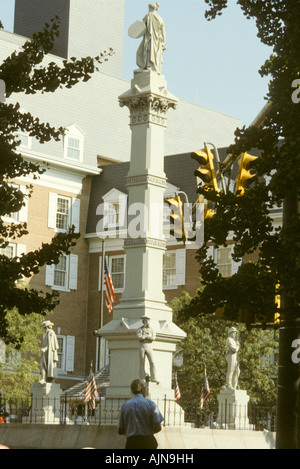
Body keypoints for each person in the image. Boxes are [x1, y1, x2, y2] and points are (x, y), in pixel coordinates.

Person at [117, 379, 164, 449]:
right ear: (143, 389)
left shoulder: (125, 406)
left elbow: (120, 430)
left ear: (132, 390)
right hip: (148, 442)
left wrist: (131, 430)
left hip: (131, 442)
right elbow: (158, 427)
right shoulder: (150, 404)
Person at [136, 3, 166, 74]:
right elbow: (163, 31)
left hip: (149, 38)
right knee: (154, 53)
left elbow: (141, 27)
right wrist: (164, 41)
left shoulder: (148, 16)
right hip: (157, 40)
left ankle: (148, 66)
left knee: (146, 51)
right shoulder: (160, 18)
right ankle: (151, 67)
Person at [136, 315, 159, 383]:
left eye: (148, 320)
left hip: (149, 346)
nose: (147, 322)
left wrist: (145, 336)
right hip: (142, 346)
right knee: (142, 362)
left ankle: (153, 377)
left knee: (152, 362)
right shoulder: (140, 329)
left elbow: (153, 338)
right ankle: (142, 377)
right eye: (145, 320)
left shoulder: (152, 329)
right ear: (143, 321)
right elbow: (140, 338)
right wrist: (147, 336)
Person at [39, 320, 59, 385]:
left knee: (43, 364)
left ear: (47, 327)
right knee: (43, 365)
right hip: (45, 353)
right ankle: (43, 379)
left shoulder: (51, 333)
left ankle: (44, 379)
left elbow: (51, 344)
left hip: (50, 353)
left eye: (44, 327)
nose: (44, 329)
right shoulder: (46, 334)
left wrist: (45, 348)